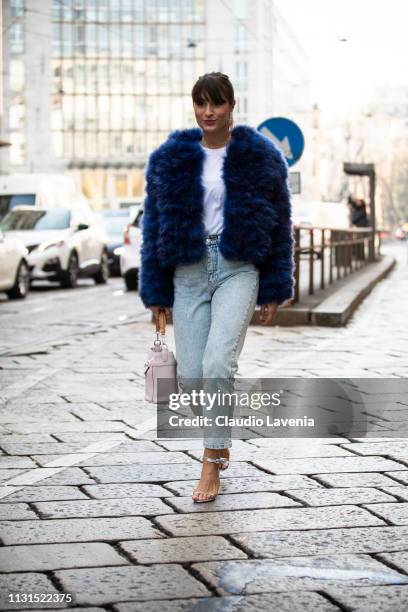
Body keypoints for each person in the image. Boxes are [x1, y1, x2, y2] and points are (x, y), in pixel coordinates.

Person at [139, 72, 295, 503]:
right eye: (201, 103)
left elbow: (281, 222)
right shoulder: (170, 158)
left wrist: (275, 284)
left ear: (231, 107)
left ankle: (211, 462)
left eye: (217, 104)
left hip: (237, 268)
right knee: (191, 377)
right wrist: (156, 293)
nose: (208, 112)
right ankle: (219, 437)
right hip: (187, 272)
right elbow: (153, 224)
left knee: (217, 364)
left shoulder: (261, 157)